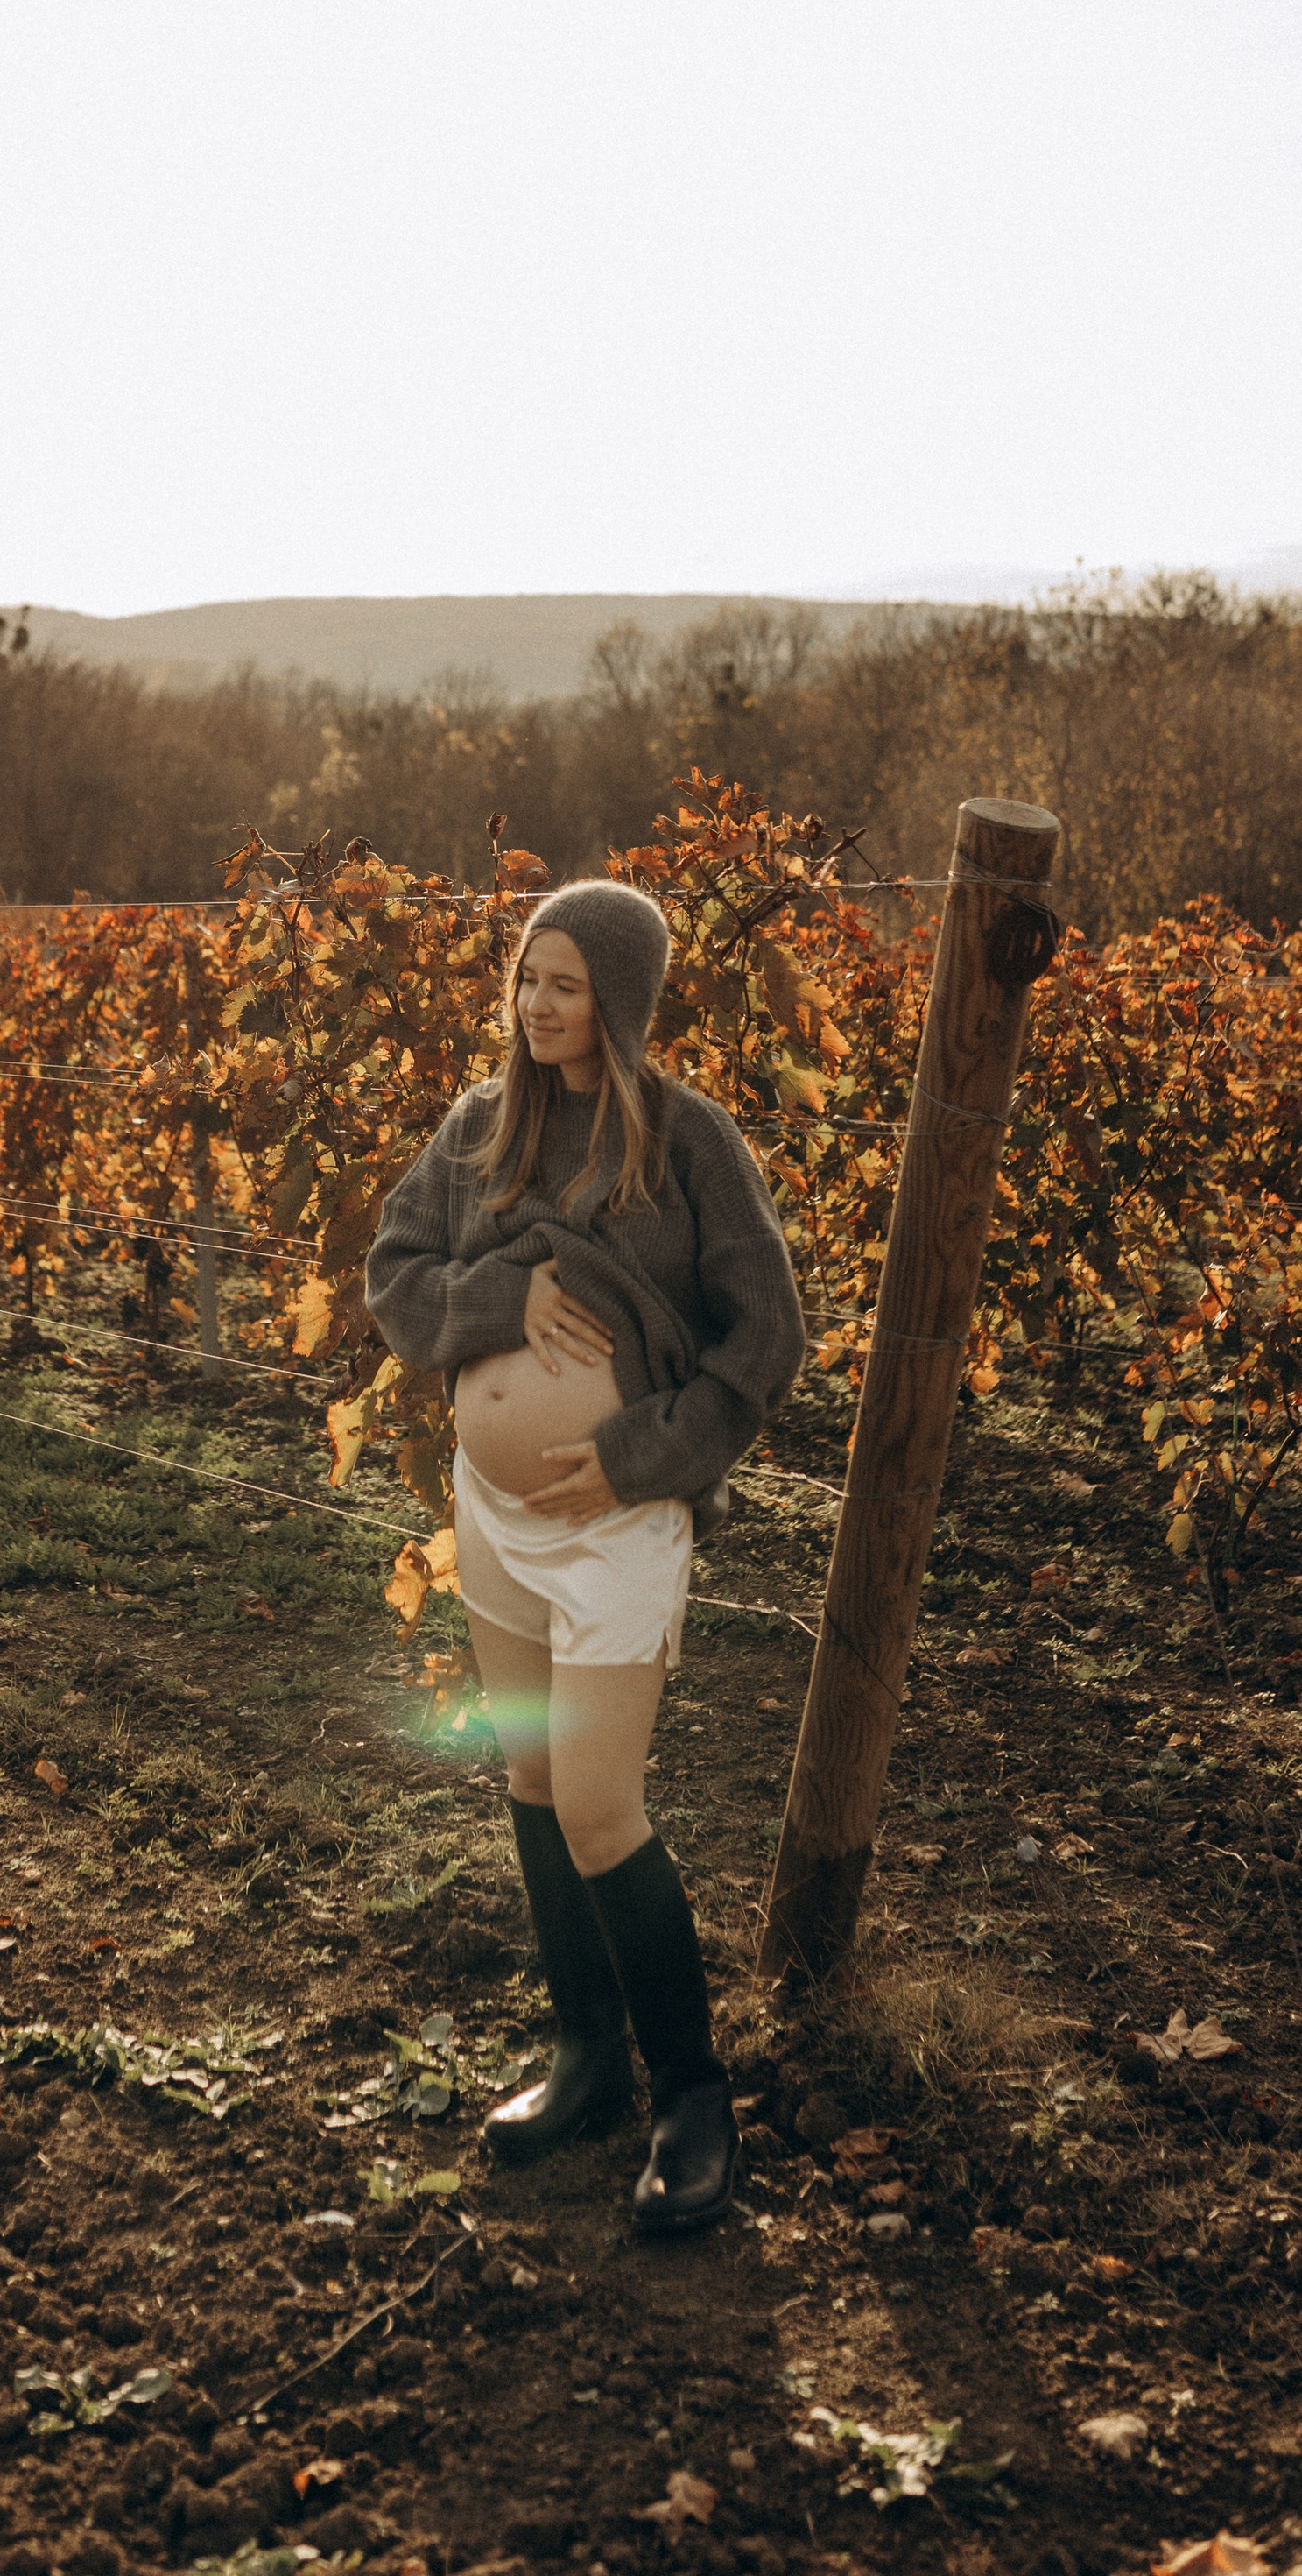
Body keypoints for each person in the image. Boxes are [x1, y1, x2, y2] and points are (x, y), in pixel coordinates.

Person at [365, 879, 805, 2234]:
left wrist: (637, 1453)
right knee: (536, 1772)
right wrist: (500, 1295)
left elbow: (766, 1337)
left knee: (604, 1802)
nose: (536, 1004)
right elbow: (394, 1274)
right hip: (493, 1522)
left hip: (617, 1525)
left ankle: (692, 2095)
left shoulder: (688, 1143)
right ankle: (586, 2056)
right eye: (525, 977)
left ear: (618, 999)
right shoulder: (480, 1129)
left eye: (564, 983)